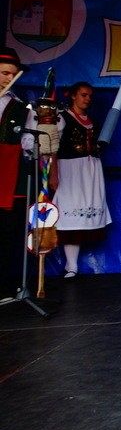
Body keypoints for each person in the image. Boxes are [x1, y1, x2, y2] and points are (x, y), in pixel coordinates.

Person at [53, 82, 112, 278]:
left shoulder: (92, 121)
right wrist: (53, 173)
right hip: (70, 170)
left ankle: (72, 265)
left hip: (91, 170)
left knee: (85, 209)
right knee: (70, 212)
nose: (87, 99)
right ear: (73, 96)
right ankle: (71, 265)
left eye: (90, 96)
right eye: (83, 95)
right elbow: (52, 148)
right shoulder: (62, 118)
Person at [0, 47, 31, 297]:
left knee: (8, 234)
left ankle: (6, 286)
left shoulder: (21, 108)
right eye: (4, 73)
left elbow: (29, 145)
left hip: (8, 180)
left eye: (13, 74)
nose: (9, 78)